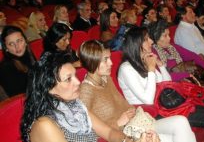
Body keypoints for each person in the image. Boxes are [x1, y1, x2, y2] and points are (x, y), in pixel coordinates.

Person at [118, 27, 204, 142]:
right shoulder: (126, 68)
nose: (151, 41)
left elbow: (168, 83)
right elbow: (147, 99)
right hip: (151, 113)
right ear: (138, 43)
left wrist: (161, 66)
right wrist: (151, 70)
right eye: (147, 39)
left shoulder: (146, 60)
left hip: (165, 105)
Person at [21, 52, 160, 142]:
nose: (77, 82)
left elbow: (110, 133)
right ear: (49, 89)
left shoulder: (76, 106)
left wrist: (132, 141)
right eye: (68, 79)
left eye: (75, 75)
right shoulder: (45, 124)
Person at [79, 40, 196, 142]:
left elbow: (122, 103)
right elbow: (84, 134)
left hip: (137, 123)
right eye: (106, 59)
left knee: (181, 122)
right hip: (124, 134)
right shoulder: (86, 90)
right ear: (92, 61)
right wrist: (118, 123)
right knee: (179, 136)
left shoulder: (106, 79)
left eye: (109, 58)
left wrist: (133, 111)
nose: (111, 63)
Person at [148, 20, 204, 106]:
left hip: (188, 78)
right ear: (155, 38)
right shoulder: (153, 54)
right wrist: (186, 75)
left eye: (168, 35)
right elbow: (162, 76)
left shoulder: (173, 47)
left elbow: (193, 56)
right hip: (174, 85)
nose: (169, 38)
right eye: (165, 36)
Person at [0, 26, 36, 97]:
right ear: (6, 48)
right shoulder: (6, 68)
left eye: (19, 41)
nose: (17, 47)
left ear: (25, 41)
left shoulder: (28, 54)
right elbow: (20, 97)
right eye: (11, 44)